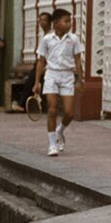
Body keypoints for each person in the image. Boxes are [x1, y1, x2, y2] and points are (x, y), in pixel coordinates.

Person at [35, 8, 82, 157]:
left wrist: (80, 80)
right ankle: (52, 145)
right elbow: (41, 61)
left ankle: (59, 131)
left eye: (70, 21)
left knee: (69, 112)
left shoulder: (73, 39)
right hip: (52, 74)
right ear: (56, 23)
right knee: (52, 110)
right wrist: (36, 82)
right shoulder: (47, 40)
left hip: (68, 75)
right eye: (66, 21)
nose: (69, 24)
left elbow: (78, 60)